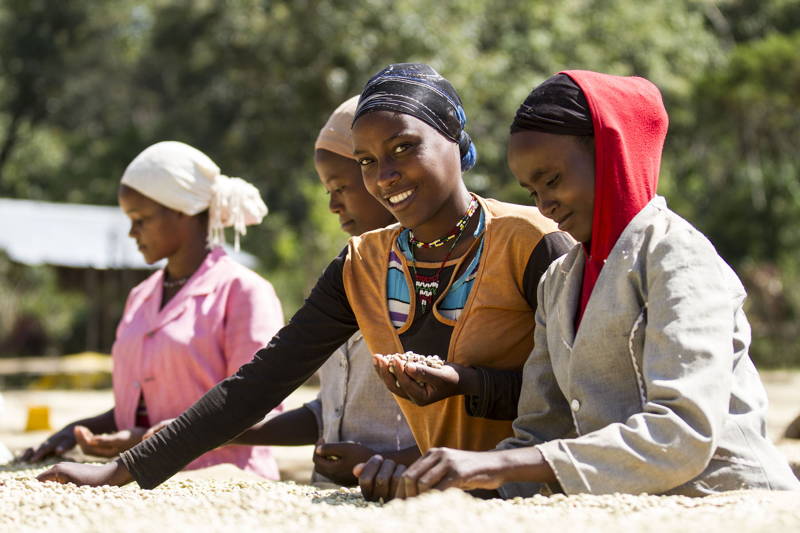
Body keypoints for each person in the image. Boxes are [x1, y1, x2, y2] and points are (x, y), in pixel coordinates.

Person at [35, 64, 572, 493]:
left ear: (453, 136)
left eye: (404, 147)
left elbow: (579, 395)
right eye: (366, 160)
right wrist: (126, 469)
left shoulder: (532, 240)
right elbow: (261, 381)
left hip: (535, 495)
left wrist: (466, 385)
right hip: (434, 501)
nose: (384, 176)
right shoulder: (362, 262)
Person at [383, 71, 800, 498]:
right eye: (531, 192)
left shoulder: (677, 256)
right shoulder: (559, 282)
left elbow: (683, 433)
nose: (544, 205)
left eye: (552, 181)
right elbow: (540, 436)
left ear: (611, 155)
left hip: (729, 499)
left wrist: (499, 464)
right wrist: (440, 486)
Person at [146, 96, 418, 486]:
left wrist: (389, 461)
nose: (333, 206)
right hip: (330, 503)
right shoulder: (345, 278)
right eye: (327, 191)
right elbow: (330, 410)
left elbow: (478, 420)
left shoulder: (437, 279)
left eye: (340, 187)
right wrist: (219, 432)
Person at [22, 141, 285, 480]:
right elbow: (144, 405)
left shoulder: (244, 292)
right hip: (145, 479)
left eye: (141, 219)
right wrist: (76, 430)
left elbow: (258, 410)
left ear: (182, 210)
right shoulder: (140, 297)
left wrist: (152, 442)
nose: (132, 232)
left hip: (228, 479)